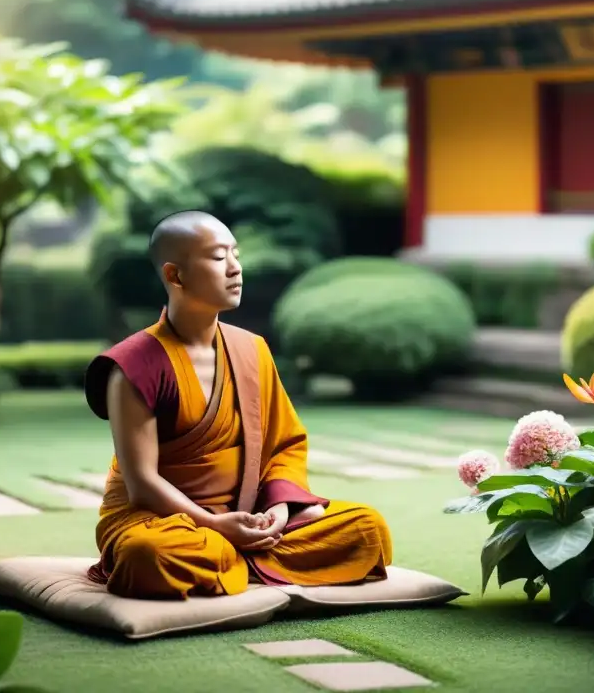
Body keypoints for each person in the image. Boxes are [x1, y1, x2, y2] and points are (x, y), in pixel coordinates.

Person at [83, 210, 393, 600]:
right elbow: (143, 484)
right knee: (148, 555)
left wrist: (278, 513)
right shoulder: (134, 365)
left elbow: (284, 447)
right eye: (217, 257)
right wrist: (216, 525)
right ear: (175, 276)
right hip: (164, 522)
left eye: (236, 254)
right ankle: (244, 555)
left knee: (367, 528)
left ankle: (237, 556)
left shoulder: (252, 350)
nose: (235, 269)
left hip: (247, 513)